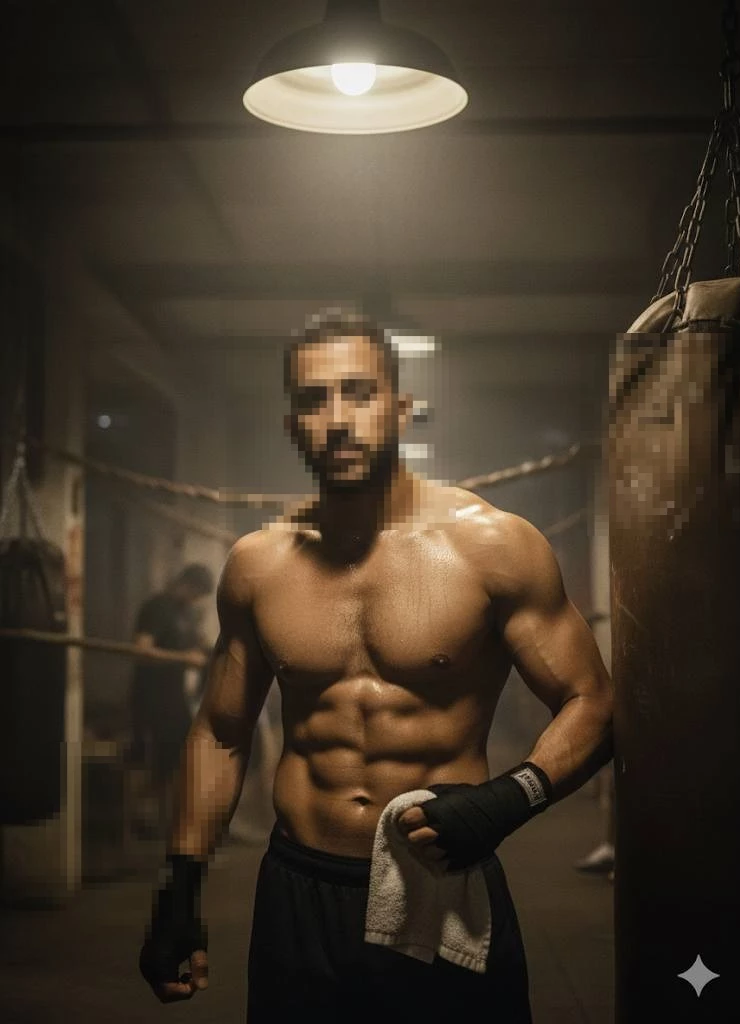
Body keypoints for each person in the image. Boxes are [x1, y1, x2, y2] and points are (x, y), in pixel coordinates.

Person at [138, 310, 614, 1022]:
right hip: (297, 890)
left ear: (399, 406)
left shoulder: (492, 547)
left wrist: (508, 801)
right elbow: (221, 731)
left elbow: (592, 702)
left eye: (358, 393)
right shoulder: (258, 565)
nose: (335, 419)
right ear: (292, 423)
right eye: (311, 400)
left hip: (439, 875)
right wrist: (179, 886)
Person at [128, 563, 214, 837]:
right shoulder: (157, 607)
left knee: (179, 757)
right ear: (185, 583)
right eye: (195, 593)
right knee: (150, 759)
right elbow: (141, 651)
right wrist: (184, 659)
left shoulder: (187, 613)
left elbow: (196, 645)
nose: (195, 600)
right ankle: (138, 818)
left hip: (175, 697)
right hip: (150, 696)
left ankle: (166, 822)